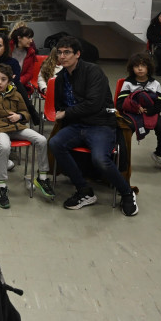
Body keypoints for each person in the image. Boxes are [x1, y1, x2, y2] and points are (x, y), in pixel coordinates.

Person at [47, 36, 139, 216]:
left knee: (100, 159)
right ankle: (84, 190)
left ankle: (127, 193)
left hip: (100, 124)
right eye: (60, 52)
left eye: (67, 52)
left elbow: (93, 104)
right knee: (55, 143)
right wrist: (65, 114)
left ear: (78, 54)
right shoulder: (60, 78)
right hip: (77, 125)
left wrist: (66, 113)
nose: (63, 56)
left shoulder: (93, 71)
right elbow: (60, 105)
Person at [0, 64, 51, 209]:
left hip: (16, 127)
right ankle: (2, 186)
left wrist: (19, 115)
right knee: (5, 146)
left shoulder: (16, 94)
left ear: (9, 81)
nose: (0, 83)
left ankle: (43, 177)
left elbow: (26, 113)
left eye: (3, 79)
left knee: (42, 140)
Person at [116, 53, 161, 173]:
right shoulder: (128, 83)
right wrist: (135, 108)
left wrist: (149, 110)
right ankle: (122, 160)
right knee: (126, 127)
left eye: (143, 66)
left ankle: (160, 156)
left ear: (149, 68)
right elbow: (120, 104)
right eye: (136, 66)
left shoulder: (155, 84)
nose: (140, 69)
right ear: (132, 68)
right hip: (132, 113)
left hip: (151, 113)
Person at [9, 26, 38, 96]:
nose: (31, 41)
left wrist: (19, 80)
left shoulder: (30, 53)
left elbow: (29, 73)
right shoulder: (8, 48)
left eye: (31, 38)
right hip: (4, 81)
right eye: (28, 38)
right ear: (19, 38)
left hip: (20, 83)